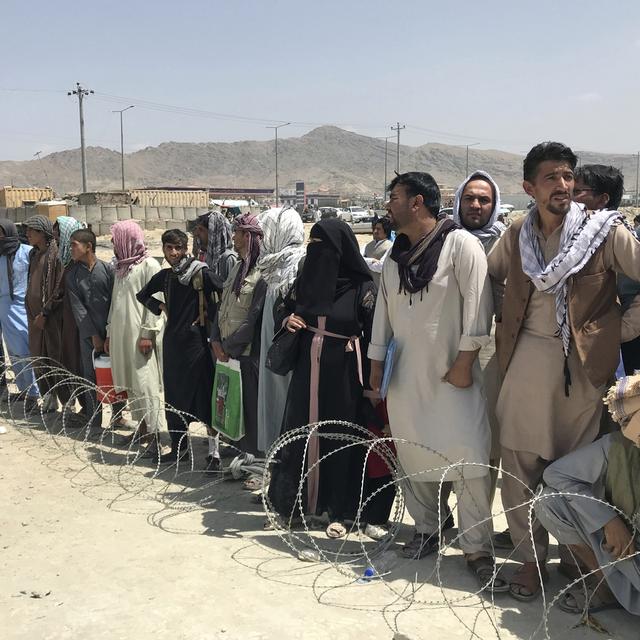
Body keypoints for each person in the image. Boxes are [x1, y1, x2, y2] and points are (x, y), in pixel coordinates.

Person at [487, 142, 640, 601]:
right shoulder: (516, 234)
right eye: (552, 177)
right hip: (524, 362)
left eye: (568, 176)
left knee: (576, 473)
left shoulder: (602, 231)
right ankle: (529, 563)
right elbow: (489, 278)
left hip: (583, 369)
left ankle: (582, 565)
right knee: (518, 465)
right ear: (529, 187)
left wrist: (621, 329)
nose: (563, 185)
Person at [368, 172, 500, 591]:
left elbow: (479, 308)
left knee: (470, 457)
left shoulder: (461, 245)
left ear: (417, 203)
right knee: (413, 454)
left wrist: (464, 363)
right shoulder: (393, 257)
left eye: (394, 198)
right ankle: (426, 530)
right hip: (406, 378)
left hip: (453, 376)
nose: (388, 206)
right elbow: (383, 316)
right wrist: (375, 368)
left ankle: (476, 548)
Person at [268, 218, 377, 539]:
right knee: (301, 431)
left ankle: (340, 509)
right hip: (307, 368)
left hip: (343, 372)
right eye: (311, 244)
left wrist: (372, 383)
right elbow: (282, 307)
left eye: (323, 246)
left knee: (340, 435)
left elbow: (373, 334)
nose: (316, 252)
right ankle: (296, 505)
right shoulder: (306, 279)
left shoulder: (363, 287)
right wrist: (289, 319)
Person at [534, 373, 640, 616]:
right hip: (627, 551)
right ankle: (606, 587)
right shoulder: (617, 446)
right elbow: (556, 474)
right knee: (549, 502)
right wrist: (608, 520)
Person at [453, 171, 508, 544]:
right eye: (470, 198)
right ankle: (438, 519)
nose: (475, 205)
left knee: (487, 441)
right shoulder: (441, 241)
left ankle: (476, 527)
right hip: (445, 347)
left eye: (483, 200)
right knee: (442, 434)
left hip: (492, 351)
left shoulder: (509, 244)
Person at [137, 229, 223, 464]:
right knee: (174, 398)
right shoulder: (166, 277)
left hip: (197, 345)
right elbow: (143, 295)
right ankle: (179, 449)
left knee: (204, 397)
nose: (174, 253)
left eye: (178, 248)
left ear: (186, 248)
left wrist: (207, 312)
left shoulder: (200, 273)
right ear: (163, 249)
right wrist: (161, 308)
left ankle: (213, 454)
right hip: (173, 344)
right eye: (169, 248)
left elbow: (224, 291)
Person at [105, 221, 167, 452]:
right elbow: (115, 304)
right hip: (122, 337)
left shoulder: (149, 265)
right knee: (131, 385)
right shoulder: (122, 268)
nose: (112, 243)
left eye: (115, 239)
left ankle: (156, 436)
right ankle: (141, 430)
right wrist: (110, 332)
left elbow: (157, 302)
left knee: (145, 385)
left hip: (140, 338)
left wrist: (147, 334)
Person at [573, 165, 640, 375]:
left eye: (577, 191)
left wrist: (625, 329)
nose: (568, 197)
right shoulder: (568, 235)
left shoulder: (613, 234)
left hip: (614, 346)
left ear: (602, 199)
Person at [212, 213, 267, 458]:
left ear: (247, 236)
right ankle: (239, 453)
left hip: (245, 354)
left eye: (237, 232)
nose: (232, 236)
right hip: (227, 352)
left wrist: (229, 346)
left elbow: (252, 320)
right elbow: (222, 307)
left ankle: (254, 461)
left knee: (251, 409)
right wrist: (215, 340)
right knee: (233, 407)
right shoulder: (236, 267)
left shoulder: (262, 274)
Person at [256, 206, 305, 455]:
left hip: (288, 356)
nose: (259, 240)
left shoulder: (296, 266)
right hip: (272, 350)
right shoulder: (272, 266)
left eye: (263, 234)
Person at [66, 228, 120, 429]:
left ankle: (118, 415)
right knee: (90, 376)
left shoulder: (107, 270)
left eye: (74, 244)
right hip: (88, 335)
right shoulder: (72, 276)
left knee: (115, 374)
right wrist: (94, 335)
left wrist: (111, 332)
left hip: (112, 332)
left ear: (88, 247)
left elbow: (116, 302)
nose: (71, 248)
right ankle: (95, 419)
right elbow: (78, 309)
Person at [24, 215, 64, 412]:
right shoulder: (33, 254)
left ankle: (65, 401)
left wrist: (45, 313)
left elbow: (58, 288)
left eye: (32, 231)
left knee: (54, 357)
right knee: (38, 357)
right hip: (33, 317)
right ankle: (48, 400)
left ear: (42, 233)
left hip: (50, 318)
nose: (28, 234)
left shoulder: (55, 255)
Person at [0, 219, 39, 410]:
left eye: (1, 233)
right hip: (5, 308)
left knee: (27, 349)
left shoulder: (26, 252)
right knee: (14, 352)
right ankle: (24, 389)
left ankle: (35, 393)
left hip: (23, 306)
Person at [53, 216, 89, 416]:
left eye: (60, 232)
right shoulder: (66, 264)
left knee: (85, 365)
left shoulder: (87, 267)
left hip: (84, 327)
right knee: (72, 362)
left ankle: (90, 408)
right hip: (67, 324)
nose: (57, 237)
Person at [193, 211, 238, 281]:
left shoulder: (228, 258)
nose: (196, 233)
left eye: (201, 230)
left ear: (213, 233)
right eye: (197, 229)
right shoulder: (205, 255)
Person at [363, 216, 393, 286]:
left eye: (378, 229)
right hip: (367, 288)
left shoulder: (390, 246)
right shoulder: (367, 245)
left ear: (386, 231)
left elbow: (381, 267)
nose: (375, 231)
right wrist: (372, 261)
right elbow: (358, 260)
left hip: (381, 288)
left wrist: (365, 261)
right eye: (374, 228)